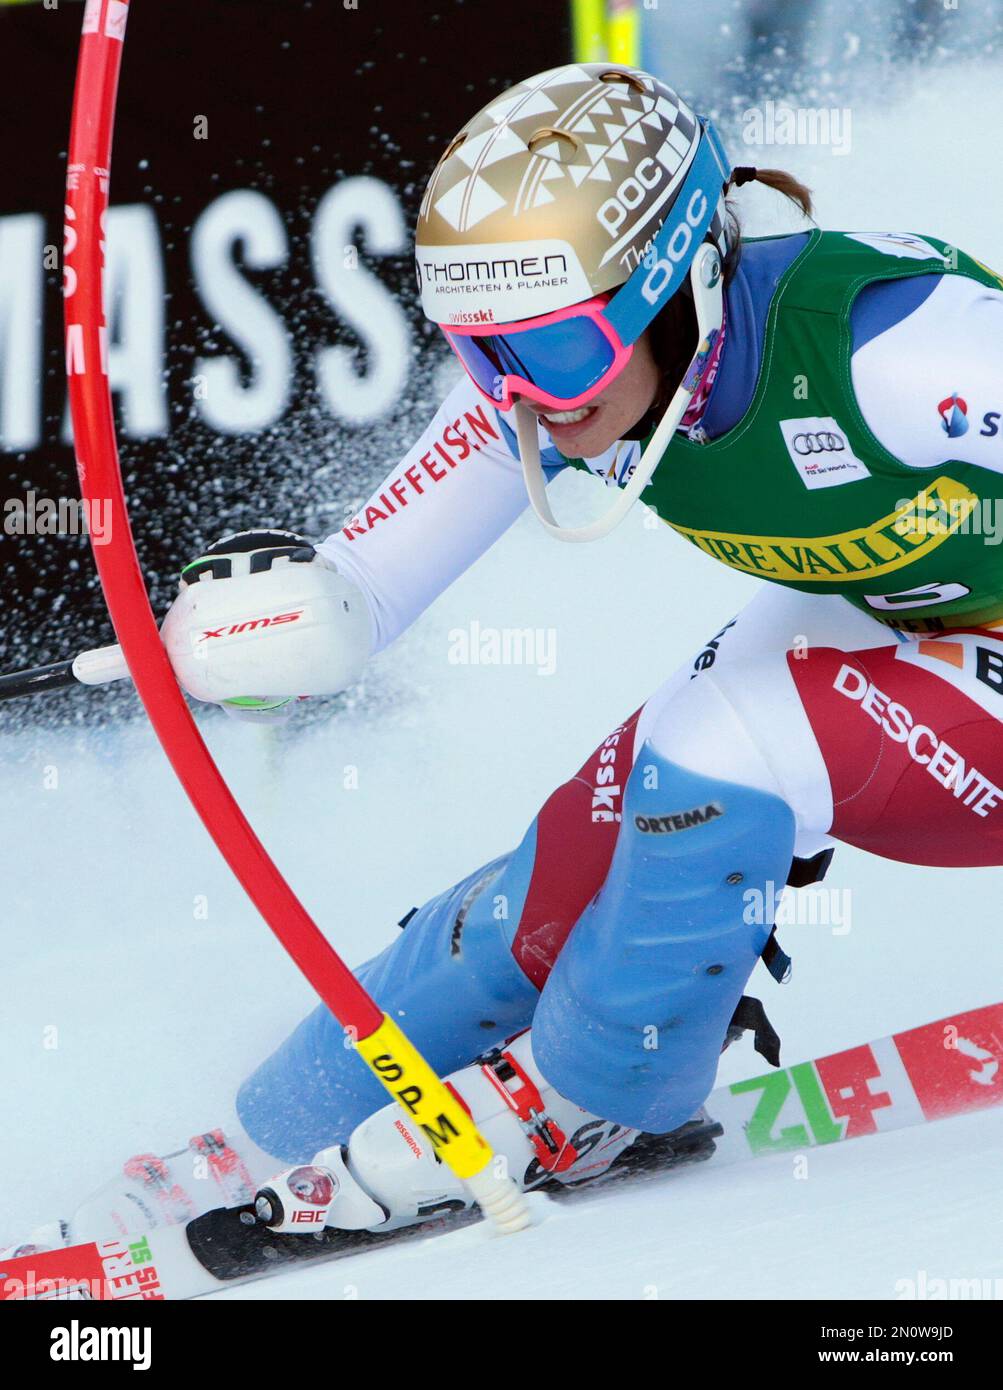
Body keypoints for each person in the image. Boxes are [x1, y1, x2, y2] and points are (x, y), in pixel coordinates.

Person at [28, 61, 1003, 1246]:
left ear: (680, 284)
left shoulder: (905, 357)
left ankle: (597, 1097)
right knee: (603, 823)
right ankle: (266, 1133)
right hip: (922, 621)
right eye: (483, 353)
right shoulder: (565, 383)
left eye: (549, 352)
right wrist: (236, 635)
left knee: (727, 741)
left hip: (958, 650)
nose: (522, 399)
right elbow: (361, 590)